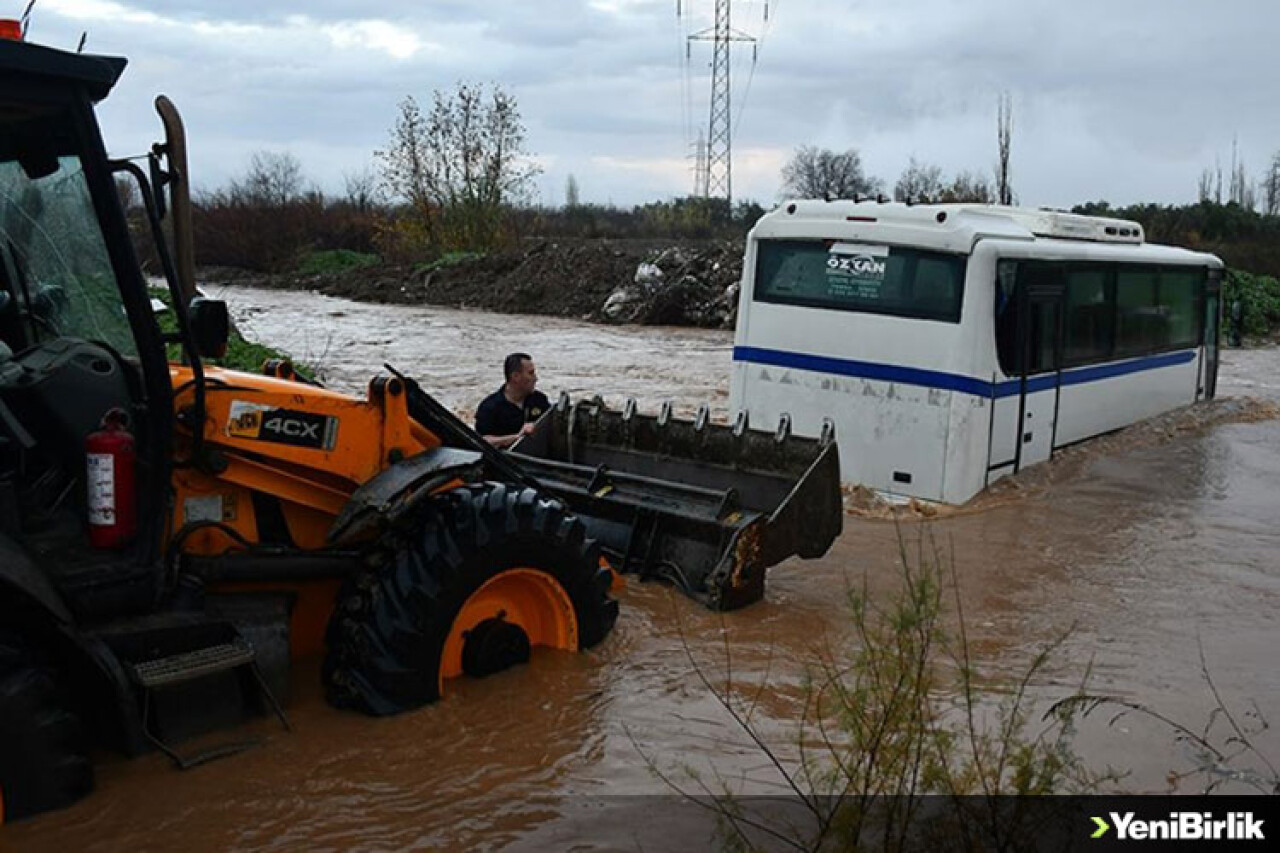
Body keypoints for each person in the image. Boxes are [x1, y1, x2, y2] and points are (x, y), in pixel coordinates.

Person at [475, 352, 551, 449]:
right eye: (531, 373)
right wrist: (517, 438)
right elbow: (482, 441)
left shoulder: (539, 399)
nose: (536, 378)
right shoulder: (490, 407)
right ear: (516, 377)